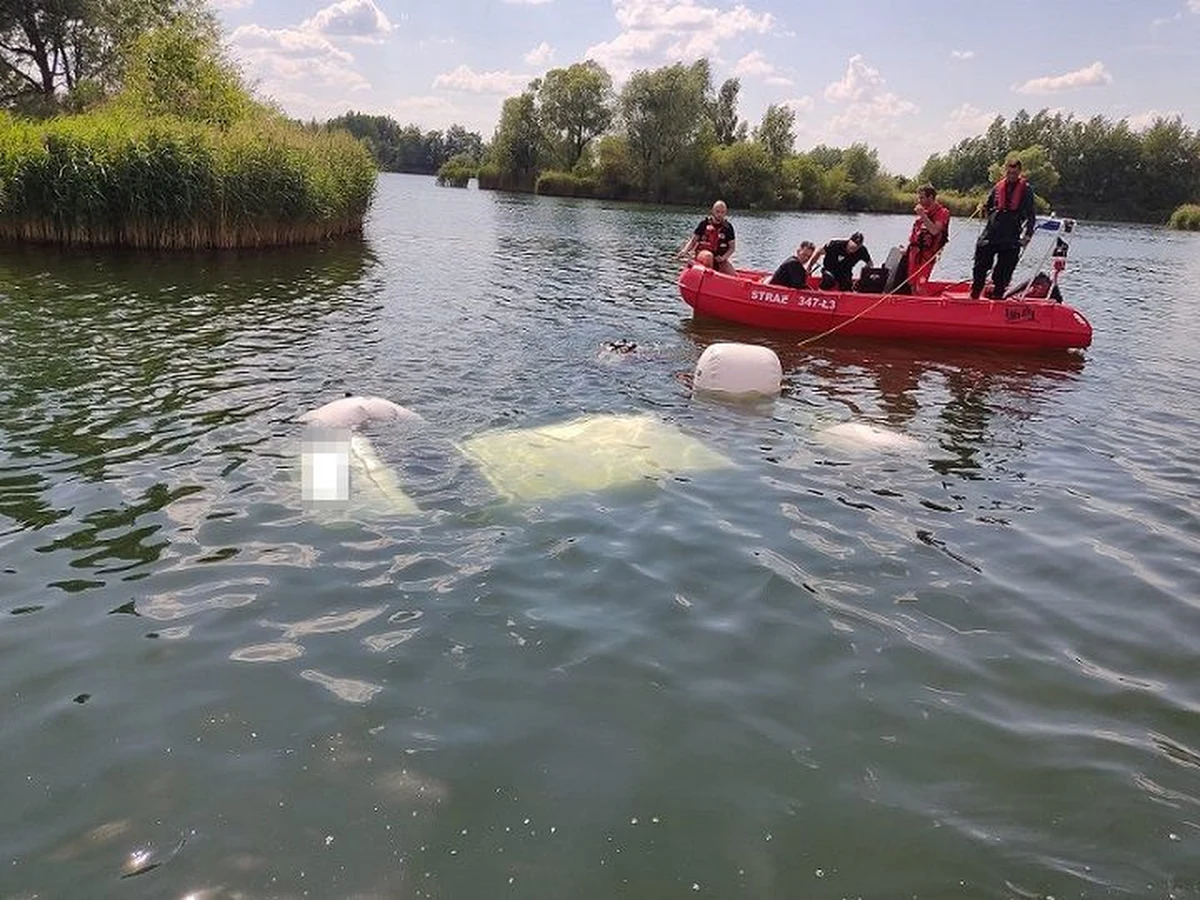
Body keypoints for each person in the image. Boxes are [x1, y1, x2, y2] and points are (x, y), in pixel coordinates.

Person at [971, 158, 1036, 300]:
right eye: (1009, 172)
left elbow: (1031, 215)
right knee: (980, 267)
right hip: (991, 234)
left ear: (1019, 172)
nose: (1012, 175)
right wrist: (981, 207)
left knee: (1003, 273)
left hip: (1011, 236)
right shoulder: (997, 187)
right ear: (1005, 171)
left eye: (1014, 172)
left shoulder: (1026, 190)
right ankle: (974, 296)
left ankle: (997, 297)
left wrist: (1027, 235)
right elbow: (988, 206)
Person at [905, 183, 951, 295]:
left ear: (930, 197)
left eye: (922, 197)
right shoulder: (924, 212)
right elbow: (916, 234)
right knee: (912, 284)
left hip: (927, 255)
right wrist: (906, 250)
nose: (919, 200)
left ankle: (928, 308)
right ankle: (915, 309)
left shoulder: (941, 213)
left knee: (920, 285)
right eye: (918, 197)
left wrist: (923, 216)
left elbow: (935, 230)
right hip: (914, 253)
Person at [677, 200, 736, 275]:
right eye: (717, 212)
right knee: (708, 256)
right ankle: (709, 278)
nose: (719, 215)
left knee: (733, 275)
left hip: (719, 258)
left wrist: (723, 258)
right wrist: (684, 251)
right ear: (712, 211)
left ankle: (718, 278)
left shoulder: (728, 227)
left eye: (722, 212)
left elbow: (732, 248)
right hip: (703, 254)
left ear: (725, 213)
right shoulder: (704, 224)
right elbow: (693, 241)